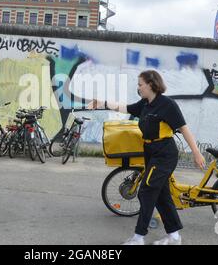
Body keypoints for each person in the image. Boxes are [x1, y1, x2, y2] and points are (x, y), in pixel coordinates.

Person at [88, 70, 206, 245]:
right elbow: (125, 107)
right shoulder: (145, 104)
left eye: (140, 84)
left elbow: (184, 128)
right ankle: (174, 236)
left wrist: (196, 153)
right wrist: (101, 103)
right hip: (150, 151)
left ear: (151, 84)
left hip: (165, 153)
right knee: (162, 194)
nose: (138, 87)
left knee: (147, 191)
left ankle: (138, 237)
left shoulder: (167, 105)